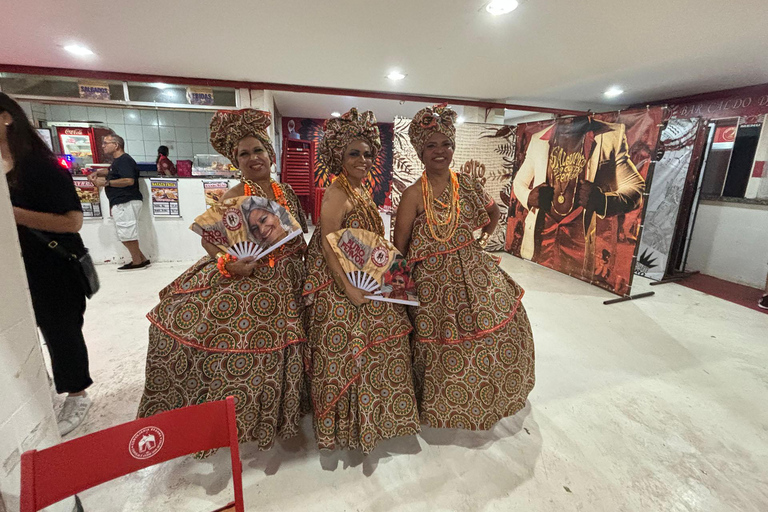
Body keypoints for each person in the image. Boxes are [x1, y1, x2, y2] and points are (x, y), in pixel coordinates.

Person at [137, 109, 309, 451]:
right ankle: (244, 420)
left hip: (290, 278)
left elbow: (297, 234)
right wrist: (230, 263)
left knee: (292, 345)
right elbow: (210, 240)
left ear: (270, 155)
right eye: (244, 154)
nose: (253, 158)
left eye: (258, 150)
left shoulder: (286, 191)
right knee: (254, 350)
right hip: (255, 280)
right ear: (236, 161)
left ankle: (285, 411)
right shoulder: (234, 194)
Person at [394, 104, 535, 430]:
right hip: (432, 291)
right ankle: (441, 406)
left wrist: (480, 241)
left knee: (488, 332)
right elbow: (399, 249)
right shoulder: (412, 195)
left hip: (474, 274)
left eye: (446, 144)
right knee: (439, 346)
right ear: (420, 151)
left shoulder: (467, 184)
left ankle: (486, 401)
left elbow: (494, 214)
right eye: (431, 145)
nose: (440, 151)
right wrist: (396, 296)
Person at [303, 108, 420, 454]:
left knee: (386, 344)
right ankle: (348, 426)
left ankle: (376, 420)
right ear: (339, 156)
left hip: (366, 278)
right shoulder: (337, 192)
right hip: (340, 283)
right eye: (354, 153)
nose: (363, 160)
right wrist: (349, 289)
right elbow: (328, 245)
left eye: (368, 154)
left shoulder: (359, 189)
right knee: (350, 349)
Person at [1, 92, 93, 435]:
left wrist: (12, 213)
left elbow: (72, 222)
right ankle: (41, 384)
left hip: (54, 265)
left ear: (6, 117)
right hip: (14, 267)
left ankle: (77, 393)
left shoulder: (42, 167)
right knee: (27, 330)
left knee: (61, 330)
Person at [512, 116, 645, 278]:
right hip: (541, 235)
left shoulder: (610, 135)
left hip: (579, 241)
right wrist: (528, 197)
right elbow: (519, 182)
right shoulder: (538, 139)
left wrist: (603, 201)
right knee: (533, 279)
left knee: (572, 287)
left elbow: (636, 188)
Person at [89, 134, 150, 270]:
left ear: (116, 145)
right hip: (122, 201)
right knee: (125, 232)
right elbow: (113, 172)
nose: (103, 146)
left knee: (126, 233)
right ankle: (141, 259)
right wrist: (98, 173)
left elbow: (129, 180)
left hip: (125, 201)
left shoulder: (124, 160)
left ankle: (137, 262)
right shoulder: (118, 161)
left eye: (106, 143)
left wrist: (106, 183)